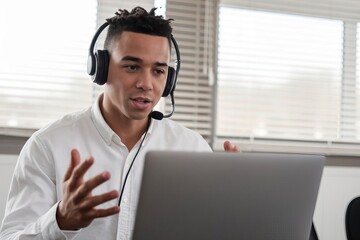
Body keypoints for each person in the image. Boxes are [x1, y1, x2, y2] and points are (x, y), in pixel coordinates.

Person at [0, 6, 239, 240]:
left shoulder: (193, 148)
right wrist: (61, 221)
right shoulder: (47, 145)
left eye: (158, 71)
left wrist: (231, 206)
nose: (146, 83)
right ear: (101, 69)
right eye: (132, 67)